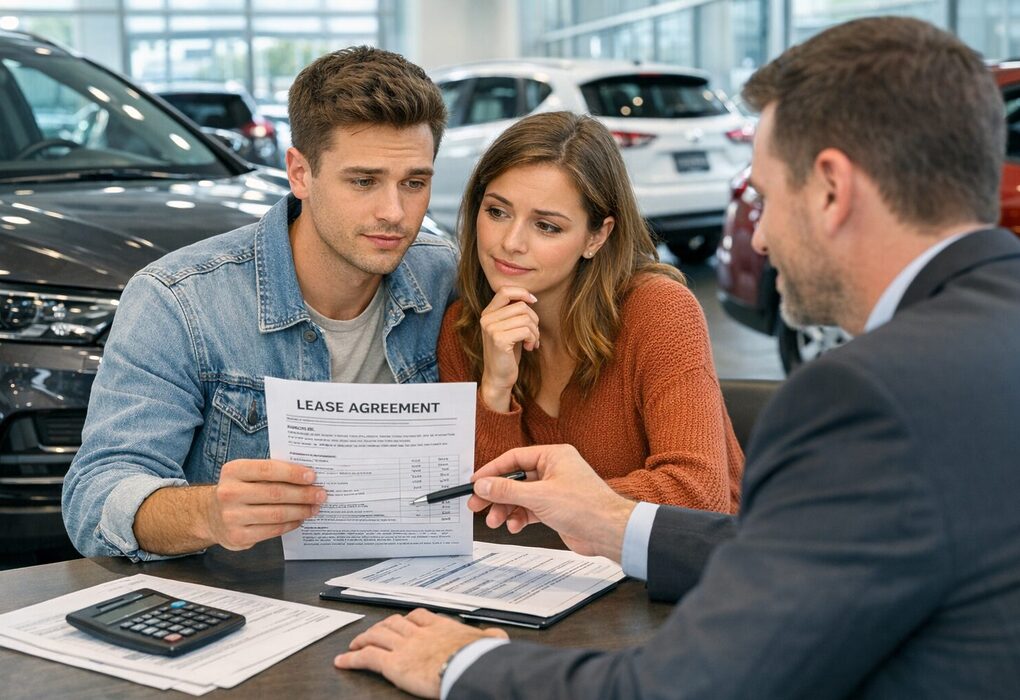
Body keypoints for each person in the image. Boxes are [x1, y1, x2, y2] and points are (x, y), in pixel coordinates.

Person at [334, 17, 1020, 699]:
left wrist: (463, 666)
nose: (765, 239)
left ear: (833, 190)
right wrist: (603, 515)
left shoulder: (866, 395)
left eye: (765, 198)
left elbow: (686, 686)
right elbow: (799, 561)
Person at [62, 46, 456, 560]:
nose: (395, 212)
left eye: (415, 183)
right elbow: (94, 498)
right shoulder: (179, 301)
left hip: (411, 585)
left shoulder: (441, 273)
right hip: (250, 600)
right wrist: (208, 514)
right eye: (363, 181)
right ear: (300, 173)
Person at [438, 111, 743, 510]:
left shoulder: (660, 312)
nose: (510, 242)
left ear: (597, 236)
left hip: (690, 565)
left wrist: (553, 502)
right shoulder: (463, 328)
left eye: (546, 226)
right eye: (497, 211)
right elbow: (485, 509)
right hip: (541, 570)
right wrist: (495, 389)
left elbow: (699, 496)